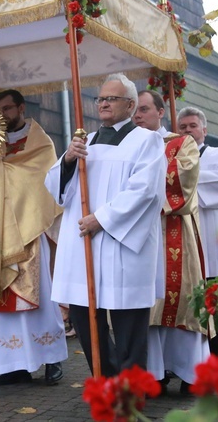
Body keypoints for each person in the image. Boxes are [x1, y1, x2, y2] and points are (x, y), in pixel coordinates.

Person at [45, 73, 166, 376]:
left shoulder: (147, 140)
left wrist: (102, 219)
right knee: (84, 316)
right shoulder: (84, 142)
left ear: (130, 104)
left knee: (128, 324)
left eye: (111, 98)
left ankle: (130, 391)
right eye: (100, 98)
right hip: (83, 242)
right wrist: (69, 161)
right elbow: (55, 188)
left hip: (120, 244)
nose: (103, 104)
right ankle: (107, 380)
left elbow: (146, 190)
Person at [0, 90, 67, 386]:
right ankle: (13, 366)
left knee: (40, 298)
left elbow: (44, 183)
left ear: (21, 108)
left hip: (29, 231)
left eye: (8, 108)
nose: (3, 114)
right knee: (0, 304)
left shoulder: (41, 143)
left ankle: (51, 360)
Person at [133, 90, 210, 394]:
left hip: (174, 229)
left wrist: (142, 185)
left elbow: (183, 179)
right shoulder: (130, 146)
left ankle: (191, 374)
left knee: (183, 301)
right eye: (134, 111)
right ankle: (154, 374)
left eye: (143, 109)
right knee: (148, 306)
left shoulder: (181, 143)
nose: (137, 116)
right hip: (140, 233)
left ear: (161, 112)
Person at [177, 106, 218, 356]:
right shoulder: (175, 157)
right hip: (185, 242)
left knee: (217, 308)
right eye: (182, 127)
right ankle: (194, 365)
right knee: (192, 309)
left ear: (204, 128)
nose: (188, 130)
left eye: (193, 125)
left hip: (214, 245)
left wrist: (186, 178)